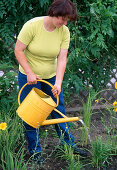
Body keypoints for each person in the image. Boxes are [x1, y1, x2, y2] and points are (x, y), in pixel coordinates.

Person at [15, 0, 87, 163]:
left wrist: (58, 83)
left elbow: (62, 58)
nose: (64, 23)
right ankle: (34, 152)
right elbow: (18, 50)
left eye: (67, 20)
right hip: (29, 76)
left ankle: (68, 146)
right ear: (54, 13)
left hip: (51, 76)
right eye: (63, 19)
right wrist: (29, 72)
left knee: (58, 110)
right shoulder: (32, 26)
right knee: (31, 114)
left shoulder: (64, 31)